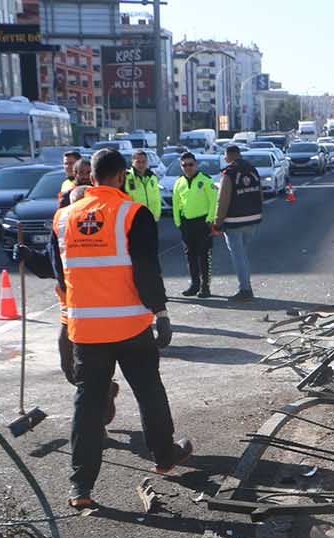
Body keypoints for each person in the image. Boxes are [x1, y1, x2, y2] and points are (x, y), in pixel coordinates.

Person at [50, 148, 193, 510]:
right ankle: (164, 457)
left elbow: (59, 275)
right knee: (149, 392)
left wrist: (69, 320)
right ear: (121, 177)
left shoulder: (64, 218)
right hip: (130, 326)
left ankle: (80, 487)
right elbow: (146, 270)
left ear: (91, 177)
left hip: (86, 331)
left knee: (88, 405)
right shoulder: (133, 213)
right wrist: (160, 312)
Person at [213, 144, 262, 301]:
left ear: (228, 156)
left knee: (238, 256)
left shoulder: (229, 173)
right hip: (253, 219)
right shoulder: (252, 169)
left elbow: (222, 200)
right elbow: (259, 193)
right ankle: (246, 285)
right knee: (242, 254)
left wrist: (217, 222)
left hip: (234, 222)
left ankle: (245, 289)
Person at [172, 152, 217, 298]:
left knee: (204, 255)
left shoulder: (205, 180)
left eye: (190, 164)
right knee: (190, 256)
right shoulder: (179, 182)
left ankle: (205, 287)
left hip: (203, 222)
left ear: (196, 164)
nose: (188, 168)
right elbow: (176, 203)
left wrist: (210, 219)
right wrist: (178, 221)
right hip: (187, 223)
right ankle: (194, 284)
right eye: (184, 165)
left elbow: (213, 200)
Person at [125, 149, 161, 220]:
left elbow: (157, 198)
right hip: (134, 220)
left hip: (151, 219)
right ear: (132, 162)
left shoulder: (152, 177)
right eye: (138, 162)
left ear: (147, 162)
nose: (141, 164)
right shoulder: (126, 177)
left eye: (143, 162)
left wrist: (157, 215)